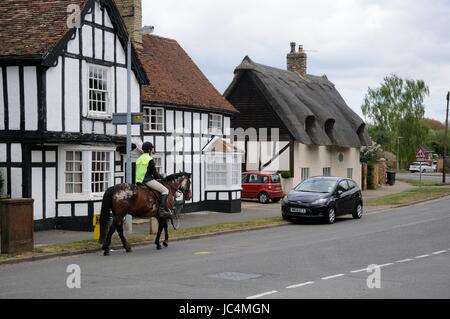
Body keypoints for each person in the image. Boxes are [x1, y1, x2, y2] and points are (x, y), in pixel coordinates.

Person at [135, 142, 172, 219]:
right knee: (165, 190)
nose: (152, 150)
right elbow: (154, 173)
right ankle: (162, 211)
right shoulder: (149, 158)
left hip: (138, 181)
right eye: (151, 149)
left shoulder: (139, 159)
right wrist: (162, 177)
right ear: (149, 150)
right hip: (147, 180)